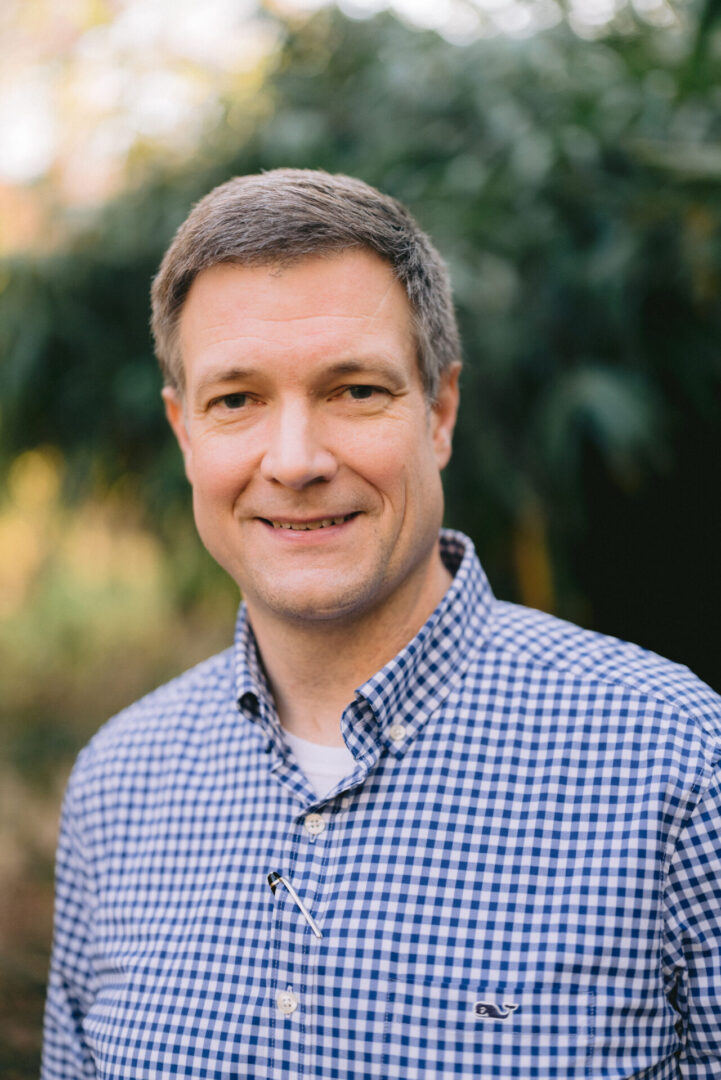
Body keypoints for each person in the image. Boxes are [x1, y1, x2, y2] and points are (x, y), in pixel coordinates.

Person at [42, 169, 721, 1079]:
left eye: (354, 390)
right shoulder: (117, 784)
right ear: (184, 432)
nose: (294, 461)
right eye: (236, 400)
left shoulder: (675, 762)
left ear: (437, 413)